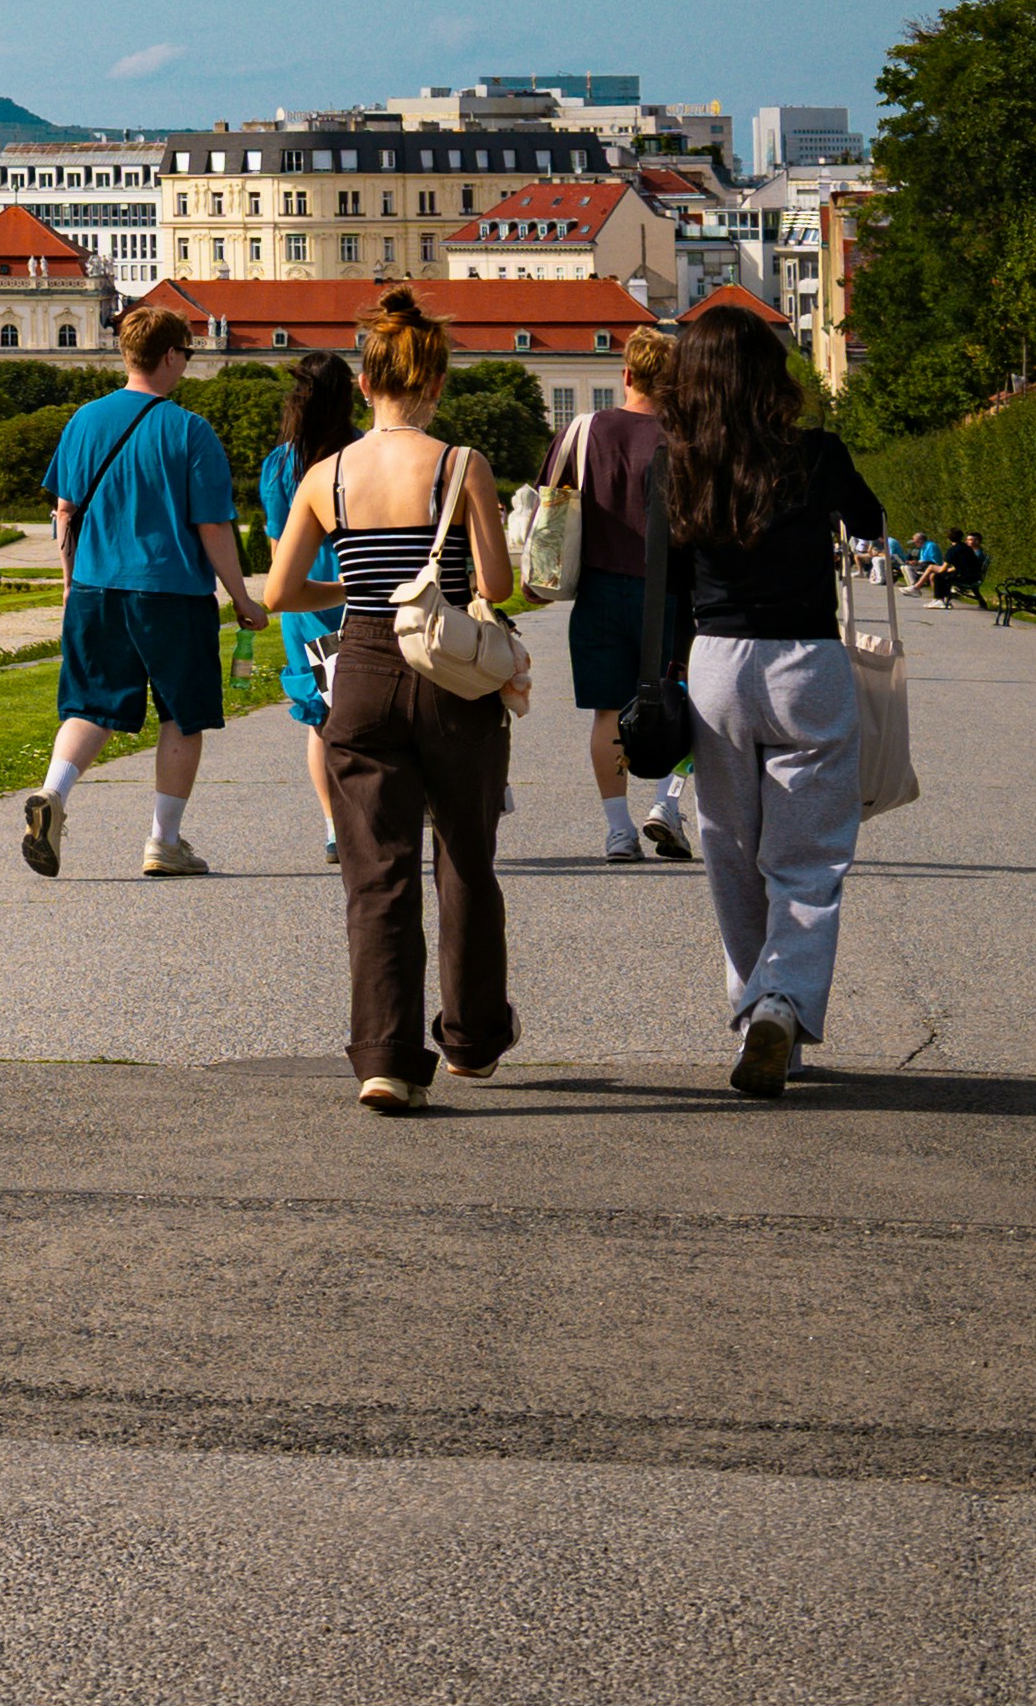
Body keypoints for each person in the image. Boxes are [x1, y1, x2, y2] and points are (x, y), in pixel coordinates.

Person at [266, 290, 530, 1113]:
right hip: (449, 673)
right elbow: (495, 584)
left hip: (366, 665)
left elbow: (279, 592)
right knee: (465, 859)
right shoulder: (461, 465)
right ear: (436, 382)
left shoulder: (324, 475)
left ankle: (384, 1056)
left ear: (366, 381)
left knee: (376, 871)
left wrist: (351, 584)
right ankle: (474, 1040)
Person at [659, 299, 891, 1100]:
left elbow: (668, 585)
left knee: (729, 848)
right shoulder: (815, 454)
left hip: (717, 663)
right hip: (806, 661)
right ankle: (781, 1004)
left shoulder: (677, 462)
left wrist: (658, 680)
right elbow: (871, 519)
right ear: (771, 376)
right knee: (809, 856)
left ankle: (758, 1009)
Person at [23, 301, 269, 878]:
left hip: (94, 588)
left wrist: (67, 586)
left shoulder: (82, 420)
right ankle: (164, 841)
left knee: (92, 705)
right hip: (172, 592)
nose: (185, 362)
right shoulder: (189, 430)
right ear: (168, 355)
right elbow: (212, 525)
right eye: (184, 352)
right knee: (182, 716)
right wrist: (241, 596)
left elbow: (64, 511)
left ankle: (54, 795)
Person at [558, 323, 694, 863]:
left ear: (627, 374)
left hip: (598, 587)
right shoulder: (686, 438)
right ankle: (667, 804)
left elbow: (553, 499)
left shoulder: (586, 431)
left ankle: (618, 830)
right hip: (672, 591)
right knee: (686, 703)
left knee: (608, 713)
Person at [260, 352, 364, 863]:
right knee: (374, 710)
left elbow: (281, 556)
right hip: (367, 598)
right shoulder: (365, 454)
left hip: (307, 607)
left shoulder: (280, 465)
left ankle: (333, 827)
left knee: (320, 721)